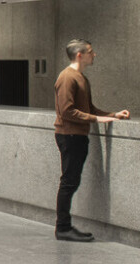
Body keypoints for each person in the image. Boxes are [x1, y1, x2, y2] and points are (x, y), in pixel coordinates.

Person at [52, 38, 130, 242]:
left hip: (77, 135)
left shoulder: (81, 78)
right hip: (69, 135)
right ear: (80, 55)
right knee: (69, 182)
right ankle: (63, 228)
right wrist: (97, 118)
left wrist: (112, 114)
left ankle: (65, 227)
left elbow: (88, 108)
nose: (94, 55)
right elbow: (67, 112)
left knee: (71, 181)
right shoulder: (67, 78)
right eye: (90, 52)